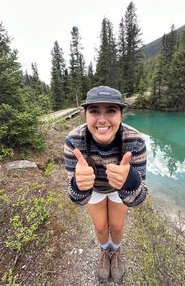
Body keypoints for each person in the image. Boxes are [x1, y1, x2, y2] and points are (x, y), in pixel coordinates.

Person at [64, 86, 147, 283]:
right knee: (101, 226)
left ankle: (115, 253)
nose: (102, 119)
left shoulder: (135, 141)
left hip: (120, 190)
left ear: (120, 115)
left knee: (117, 227)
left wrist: (131, 181)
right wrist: (78, 185)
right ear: (85, 115)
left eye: (110, 110)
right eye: (94, 111)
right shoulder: (73, 141)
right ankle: (104, 251)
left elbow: (139, 197)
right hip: (94, 190)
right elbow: (77, 199)